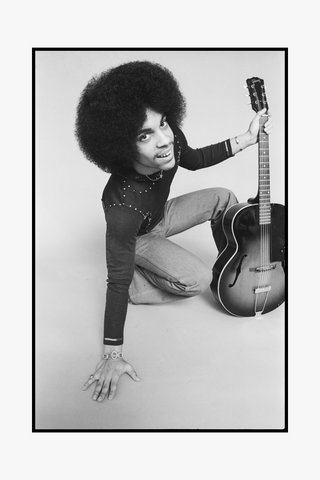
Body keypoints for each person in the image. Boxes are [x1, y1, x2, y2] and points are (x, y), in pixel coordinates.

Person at [75, 60, 272, 402]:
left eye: (162, 123)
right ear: (121, 144)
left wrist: (248, 138)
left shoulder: (170, 142)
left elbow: (195, 158)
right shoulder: (122, 208)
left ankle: (233, 266)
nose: (164, 139)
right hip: (137, 236)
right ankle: (146, 286)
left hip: (160, 216)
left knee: (224, 197)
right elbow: (116, 279)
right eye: (144, 134)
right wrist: (112, 354)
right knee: (197, 279)